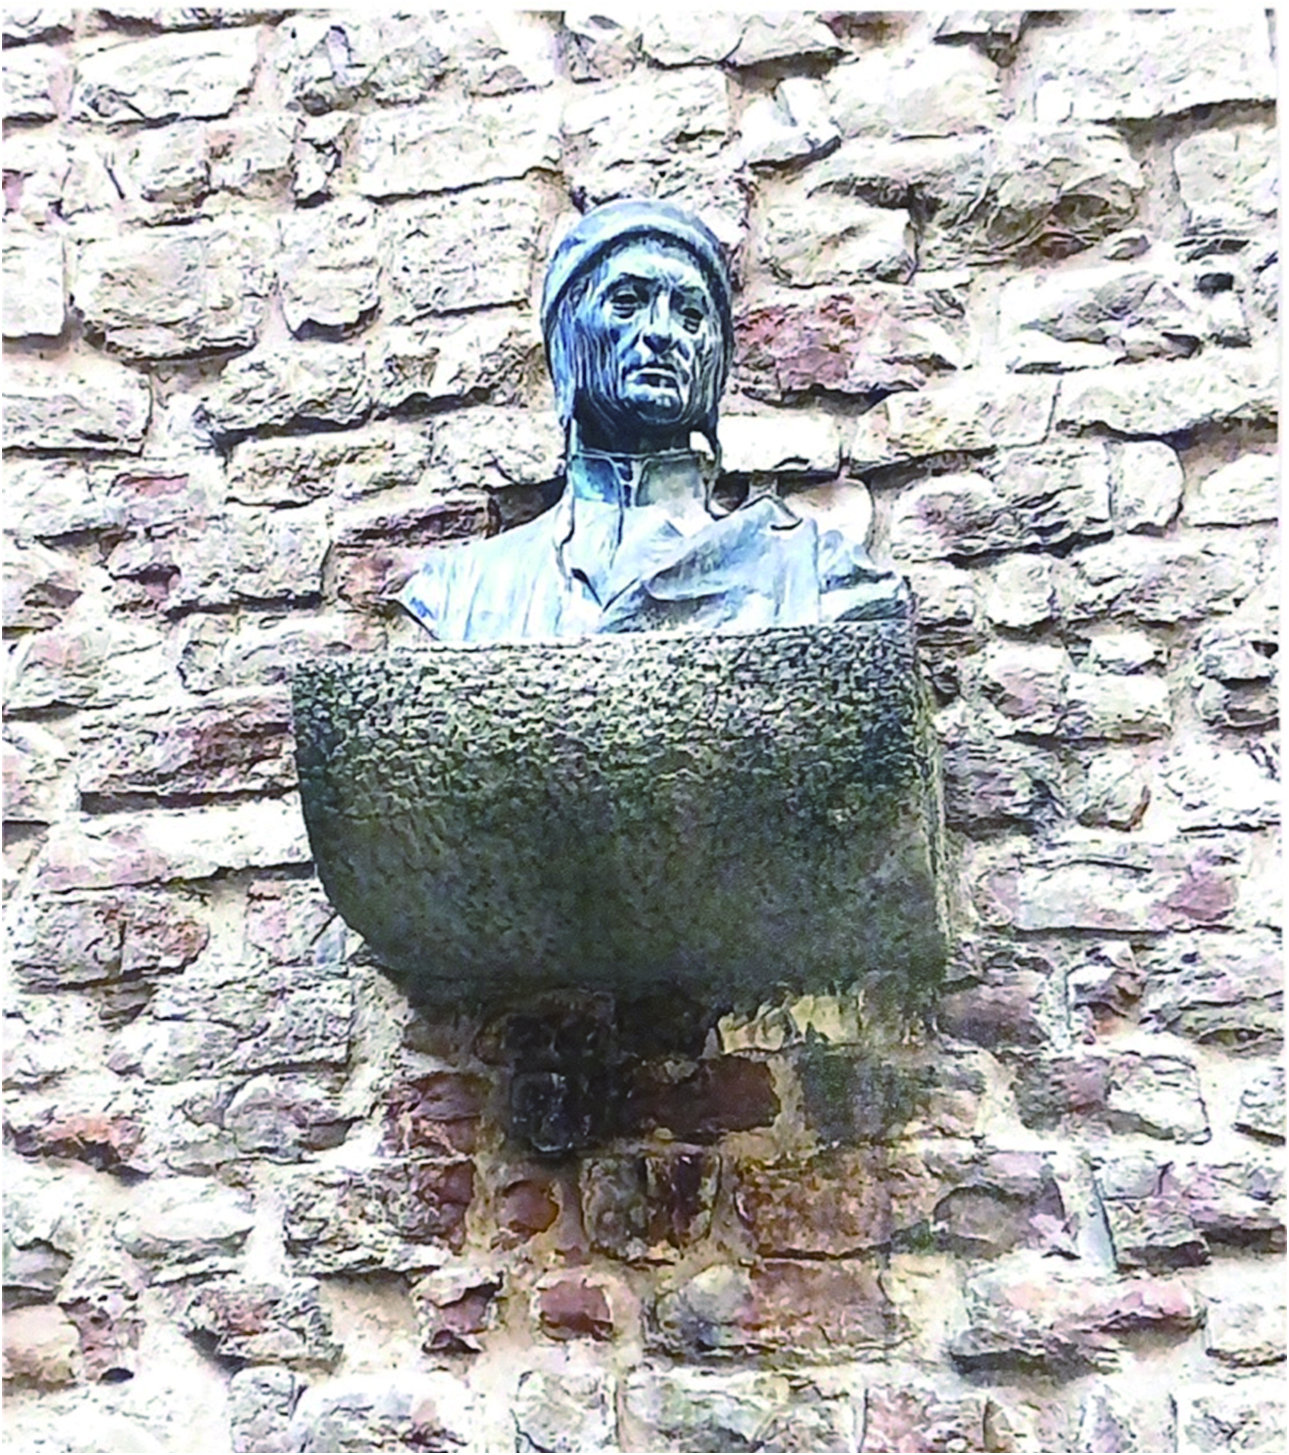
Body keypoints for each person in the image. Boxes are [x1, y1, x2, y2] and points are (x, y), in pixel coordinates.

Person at [398, 198, 906, 642]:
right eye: (627, 303)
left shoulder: (815, 572)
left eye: (691, 316)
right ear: (566, 343)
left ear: (716, 362)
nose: (663, 333)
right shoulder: (462, 590)